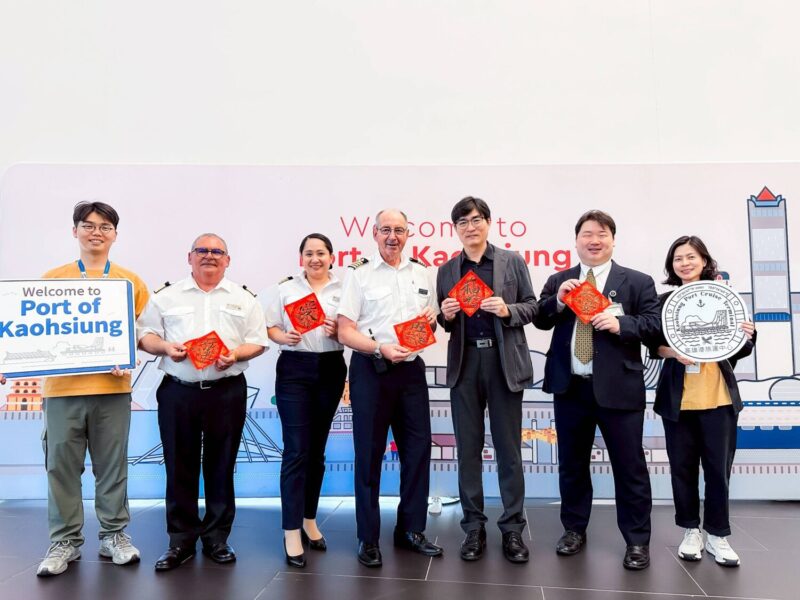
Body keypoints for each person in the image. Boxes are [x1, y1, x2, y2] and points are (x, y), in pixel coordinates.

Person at [534, 210, 661, 570]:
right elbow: (541, 318)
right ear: (576, 241)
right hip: (570, 387)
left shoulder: (637, 281)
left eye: (602, 234)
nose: (594, 240)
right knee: (572, 465)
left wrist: (621, 323)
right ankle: (573, 530)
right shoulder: (561, 279)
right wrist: (558, 300)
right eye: (587, 234)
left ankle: (637, 541)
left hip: (619, 389)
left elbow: (652, 326)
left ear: (613, 240)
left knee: (630, 467)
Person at [30, 201, 149, 576]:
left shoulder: (131, 282)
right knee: (61, 466)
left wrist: (128, 355)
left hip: (112, 388)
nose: (96, 232)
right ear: (75, 231)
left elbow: (144, 334)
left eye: (104, 227)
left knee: (111, 466)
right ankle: (64, 540)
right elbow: (33, 330)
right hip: (62, 390)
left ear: (115, 234)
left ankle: (114, 535)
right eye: (88, 225)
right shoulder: (52, 279)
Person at [137, 233, 268, 571]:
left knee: (221, 464)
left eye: (217, 252)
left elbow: (258, 341)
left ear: (228, 260)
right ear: (189, 257)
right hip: (178, 390)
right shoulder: (166, 296)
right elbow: (145, 335)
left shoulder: (244, 298)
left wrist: (236, 353)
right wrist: (166, 347)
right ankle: (179, 541)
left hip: (226, 390)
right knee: (179, 464)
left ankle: (216, 538)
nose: (209, 256)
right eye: (202, 251)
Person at [337, 208, 443, 567]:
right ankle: (368, 537)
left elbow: (430, 322)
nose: (392, 236)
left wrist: (433, 319)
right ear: (374, 233)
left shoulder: (421, 272)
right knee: (368, 456)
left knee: (417, 450)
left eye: (399, 230)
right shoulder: (359, 275)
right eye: (386, 230)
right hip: (372, 369)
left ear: (408, 234)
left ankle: (410, 530)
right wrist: (377, 347)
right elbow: (345, 330)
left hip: (411, 372)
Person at [435, 196, 537, 563]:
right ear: (456, 229)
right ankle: (473, 528)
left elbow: (533, 306)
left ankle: (512, 529)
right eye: (462, 222)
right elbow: (443, 320)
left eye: (476, 219)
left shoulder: (511, 261)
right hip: (465, 364)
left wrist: (508, 309)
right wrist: (445, 314)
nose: (470, 227)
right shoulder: (448, 269)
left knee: (509, 451)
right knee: (468, 451)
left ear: (489, 223)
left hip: (503, 359)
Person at [651, 235, 755, 567]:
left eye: (691, 257)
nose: (685, 263)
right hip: (678, 400)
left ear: (704, 260)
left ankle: (718, 536)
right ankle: (690, 532)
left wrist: (746, 334)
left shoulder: (726, 298)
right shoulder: (663, 300)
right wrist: (672, 352)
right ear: (671, 266)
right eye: (678, 258)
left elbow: (741, 349)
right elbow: (653, 345)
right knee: (682, 469)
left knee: (717, 471)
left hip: (719, 399)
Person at [263, 233, 347, 568]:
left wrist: (337, 331)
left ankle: (310, 519)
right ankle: (291, 529)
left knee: (317, 452)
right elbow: (270, 328)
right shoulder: (285, 289)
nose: (315, 259)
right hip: (295, 369)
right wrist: (283, 336)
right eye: (309, 253)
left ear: (331, 257)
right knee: (297, 450)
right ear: (301, 259)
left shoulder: (344, 290)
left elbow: (355, 328)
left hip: (331, 368)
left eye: (321, 253)